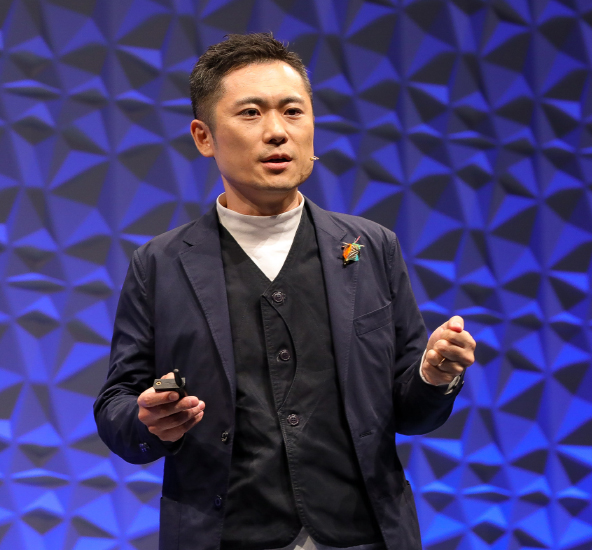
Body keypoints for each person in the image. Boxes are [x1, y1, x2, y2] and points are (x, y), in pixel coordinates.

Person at [94, 33, 476, 550]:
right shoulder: (159, 264)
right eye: (251, 113)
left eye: (293, 111)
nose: (277, 131)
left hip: (362, 536)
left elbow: (410, 412)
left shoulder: (371, 247)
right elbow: (116, 406)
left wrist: (433, 376)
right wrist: (146, 420)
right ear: (204, 137)